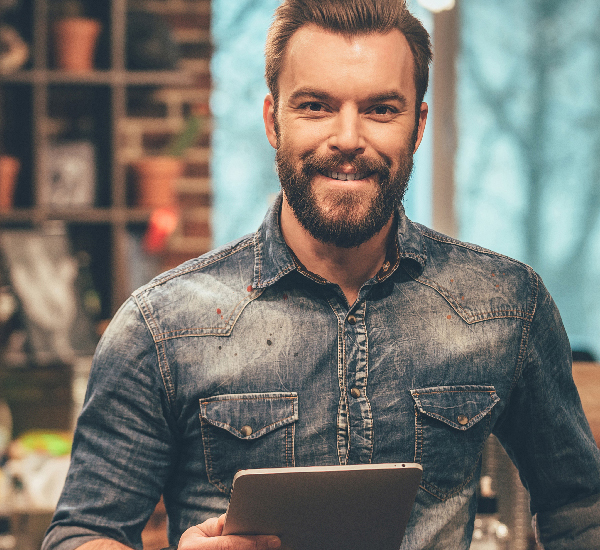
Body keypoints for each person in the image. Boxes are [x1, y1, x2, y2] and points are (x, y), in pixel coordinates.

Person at [43, 1, 600, 549]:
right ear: (272, 120)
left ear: (419, 124)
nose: (349, 138)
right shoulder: (159, 327)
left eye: (382, 109)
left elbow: (580, 508)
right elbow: (81, 533)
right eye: (315, 106)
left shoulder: (505, 305)